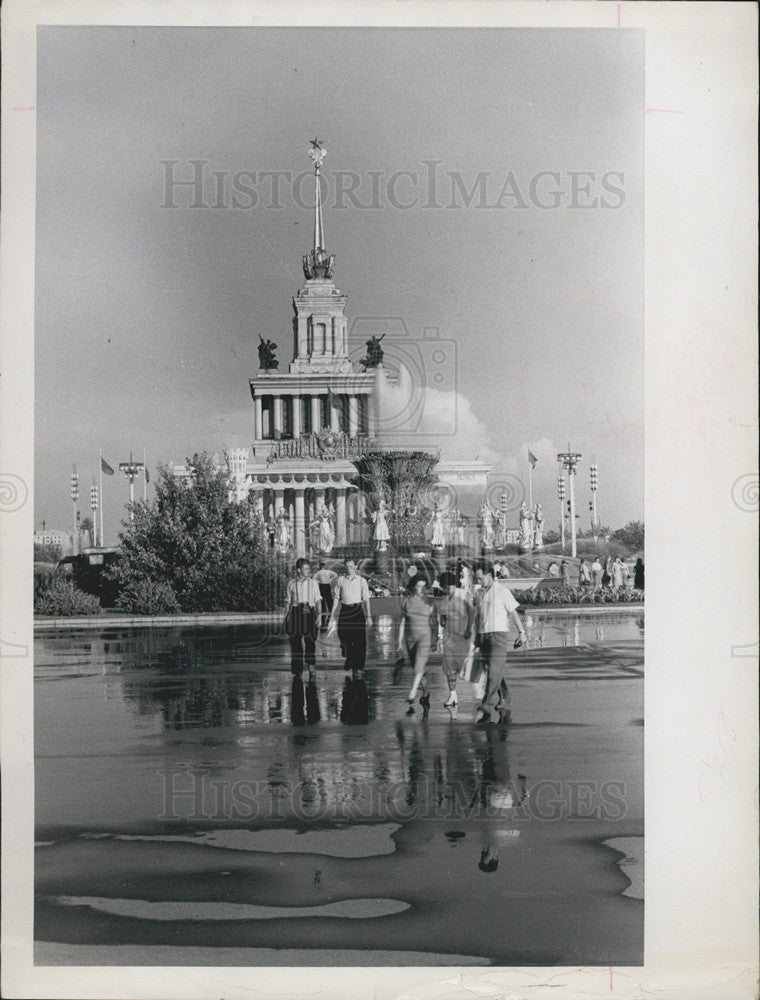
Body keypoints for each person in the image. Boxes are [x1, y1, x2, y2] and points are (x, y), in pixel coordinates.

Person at [473, 560, 526, 724]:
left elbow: (513, 613)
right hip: (484, 637)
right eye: (476, 579)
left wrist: (521, 633)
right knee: (493, 669)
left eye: (480, 578)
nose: (478, 582)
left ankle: (486, 703)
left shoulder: (503, 592)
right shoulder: (479, 593)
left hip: (499, 636)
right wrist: (476, 637)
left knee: (494, 671)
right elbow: (478, 616)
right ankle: (505, 696)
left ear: (489, 576)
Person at [398, 575, 437, 715]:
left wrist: (436, 638)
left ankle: (412, 693)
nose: (421, 589)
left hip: (424, 637)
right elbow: (402, 622)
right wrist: (399, 641)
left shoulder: (429, 602)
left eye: (423, 586)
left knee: (418, 667)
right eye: (419, 586)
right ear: (413, 586)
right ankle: (425, 692)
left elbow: (434, 621)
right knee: (417, 667)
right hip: (410, 639)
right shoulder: (406, 602)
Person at [438, 570, 475, 712]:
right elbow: (441, 618)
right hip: (449, 635)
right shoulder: (444, 598)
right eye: (444, 587)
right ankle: (453, 695)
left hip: (463, 633)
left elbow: (472, 613)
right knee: (449, 666)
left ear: (453, 584)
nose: (446, 589)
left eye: (447, 586)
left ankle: (480, 692)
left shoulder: (465, 595)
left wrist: (468, 629)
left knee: (463, 663)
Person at [329, 558, 373, 677]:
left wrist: (368, 616)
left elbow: (366, 599)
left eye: (351, 566)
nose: (349, 569)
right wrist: (332, 615)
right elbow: (336, 599)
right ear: (344, 568)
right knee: (343, 635)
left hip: (357, 610)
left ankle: (358, 666)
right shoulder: (340, 580)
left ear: (355, 567)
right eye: (347, 566)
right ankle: (348, 656)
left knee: (359, 640)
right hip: (345, 610)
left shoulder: (361, 581)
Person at [284, 558, 321, 681]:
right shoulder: (291, 584)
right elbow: (288, 601)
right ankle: (297, 671)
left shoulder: (313, 583)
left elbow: (317, 599)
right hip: (296, 611)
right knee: (295, 642)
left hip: (309, 611)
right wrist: (286, 617)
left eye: (309, 568)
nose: (308, 571)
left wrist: (319, 615)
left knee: (310, 640)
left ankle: (311, 666)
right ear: (299, 570)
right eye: (306, 569)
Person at [314, 561, 337, 630]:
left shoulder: (318, 572)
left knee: (322, 598)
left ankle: (323, 608)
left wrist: (318, 581)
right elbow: (335, 575)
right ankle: (330, 609)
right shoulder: (328, 571)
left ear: (320, 566)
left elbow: (314, 578)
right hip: (327, 584)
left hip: (322, 585)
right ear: (324, 566)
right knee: (329, 597)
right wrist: (331, 580)